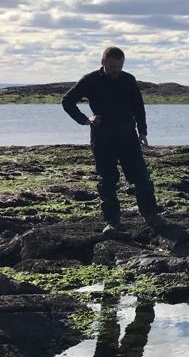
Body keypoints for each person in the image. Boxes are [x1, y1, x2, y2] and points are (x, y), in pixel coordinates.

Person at [61, 46, 160, 235]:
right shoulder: (90, 80)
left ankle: (151, 216)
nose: (116, 70)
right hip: (102, 138)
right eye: (113, 66)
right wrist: (85, 119)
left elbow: (139, 107)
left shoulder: (128, 79)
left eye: (119, 66)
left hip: (128, 136)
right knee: (106, 181)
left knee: (141, 178)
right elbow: (67, 100)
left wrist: (143, 132)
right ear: (103, 62)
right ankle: (112, 223)